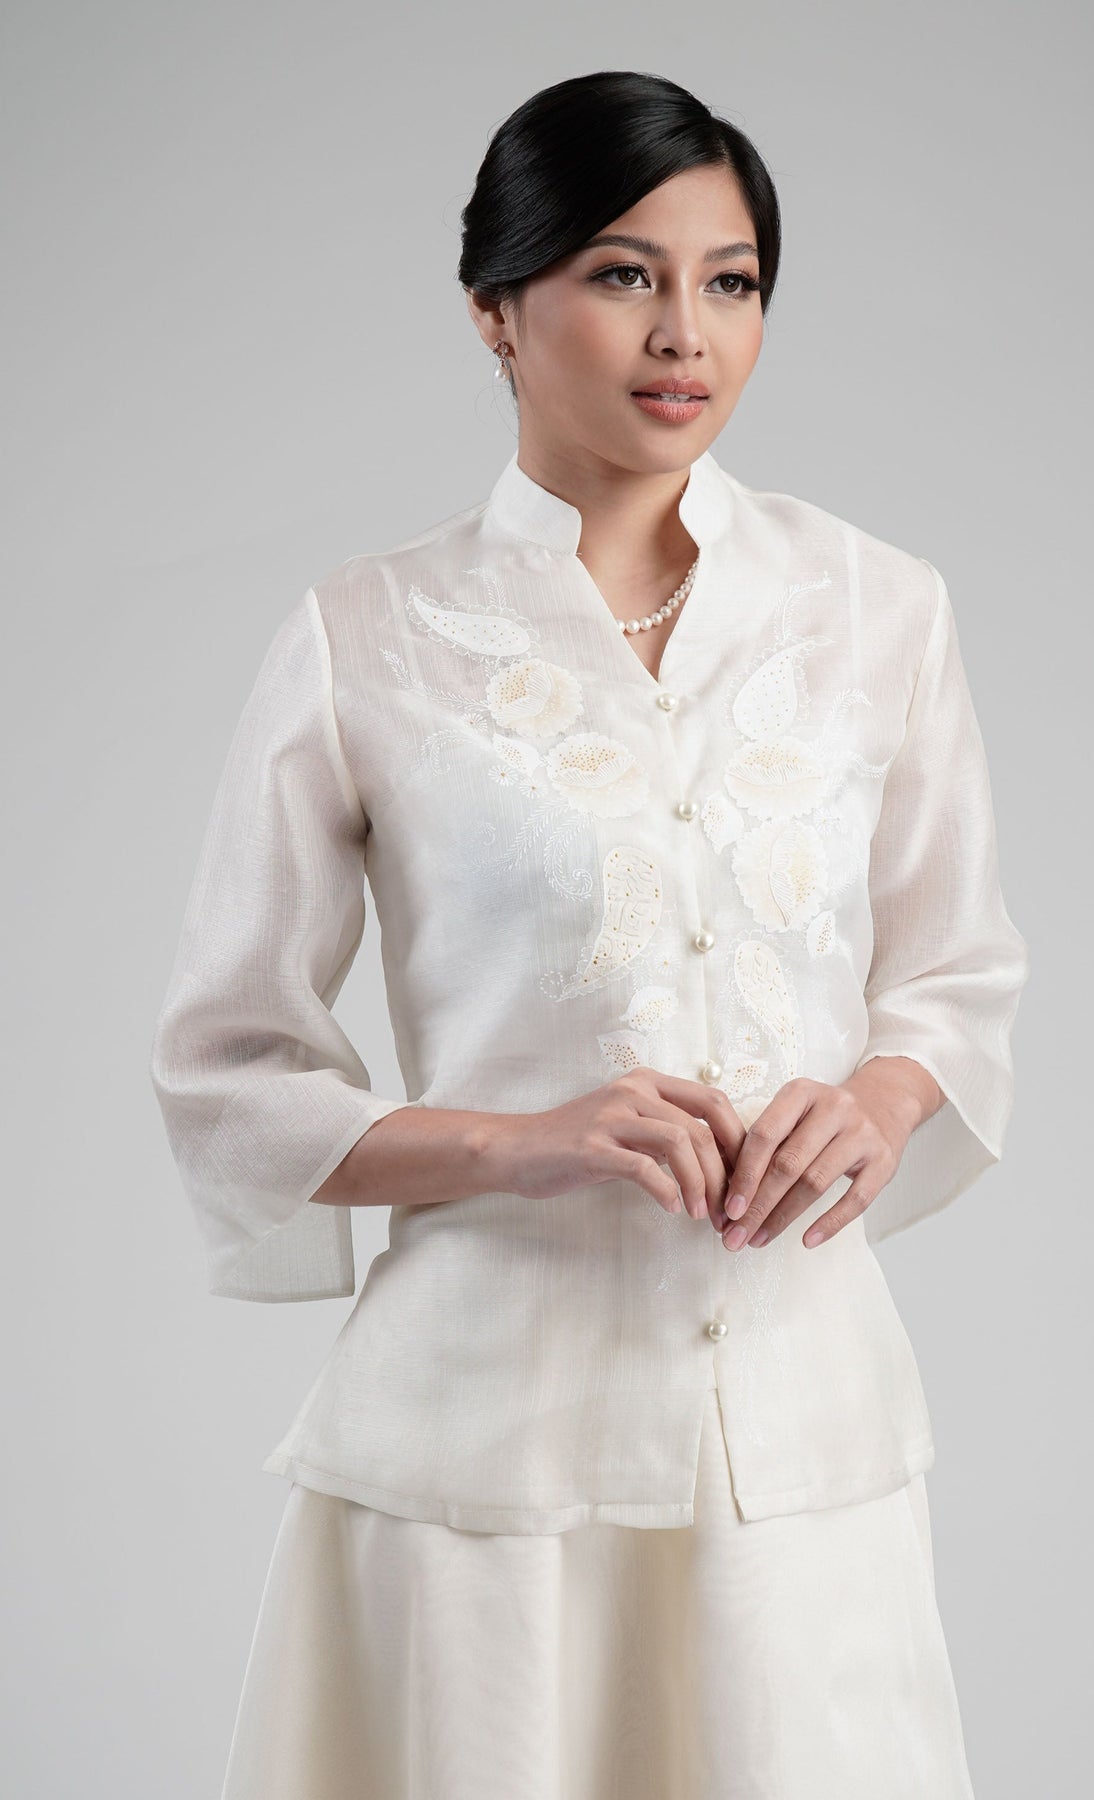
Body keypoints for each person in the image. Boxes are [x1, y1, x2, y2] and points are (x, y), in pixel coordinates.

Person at [150, 68, 1029, 1800]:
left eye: (730, 280)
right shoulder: (366, 637)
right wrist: (523, 1142)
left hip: (799, 1436)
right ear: (495, 307)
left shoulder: (878, 612)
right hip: (481, 1452)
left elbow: (955, 973)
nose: (683, 333)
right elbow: (226, 1069)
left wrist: (875, 1102)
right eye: (623, 274)